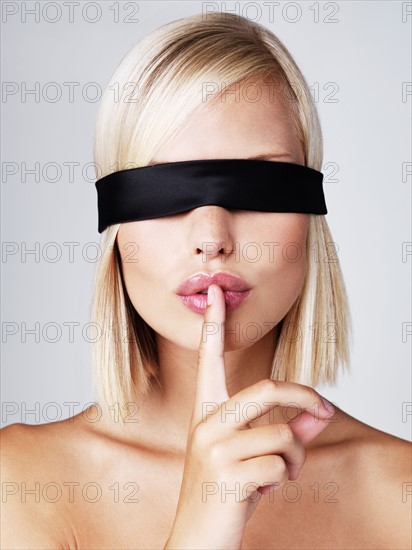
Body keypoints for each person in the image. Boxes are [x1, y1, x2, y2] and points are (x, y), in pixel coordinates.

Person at [1, 12, 411, 550]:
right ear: (116, 230)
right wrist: (202, 527)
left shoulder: (399, 491)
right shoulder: (23, 483)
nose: (212, 237)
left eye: (259, 185)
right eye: (164, 193)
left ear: (312, 217)